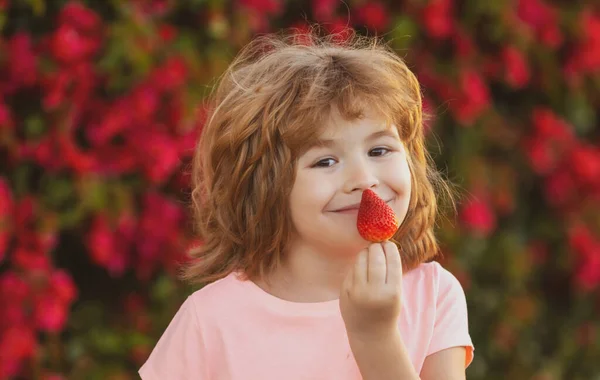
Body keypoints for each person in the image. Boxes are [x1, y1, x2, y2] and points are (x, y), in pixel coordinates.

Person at [139, 29, 474, 380]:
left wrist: (375, 338)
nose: (363, 178)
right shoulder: (210, 320)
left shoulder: (433, 296)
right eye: (325, 161)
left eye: (379, 150)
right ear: (268, 186)